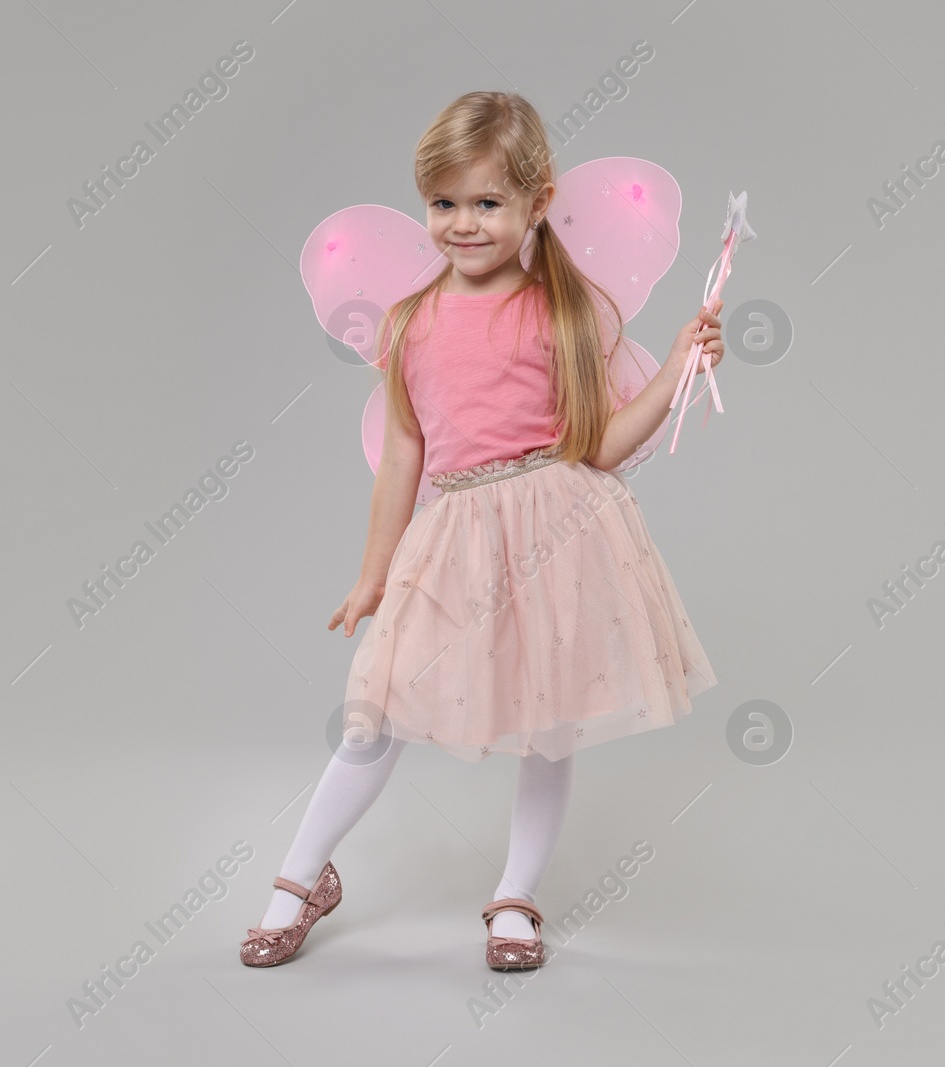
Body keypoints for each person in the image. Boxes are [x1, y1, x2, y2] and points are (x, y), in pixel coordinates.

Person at [241, 90, 722, 972]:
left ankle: (516, 895)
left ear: (538, 203)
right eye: (444, 204)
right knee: (374, 714)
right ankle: (300, 876)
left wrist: (675, 372)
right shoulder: (411, 323)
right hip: (454, 538)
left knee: (548, 723)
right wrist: (372, 572)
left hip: (558, 532)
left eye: (488, 203)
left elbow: (600, 444)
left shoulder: (569, 313)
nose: (463, 224)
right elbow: (402, 459)